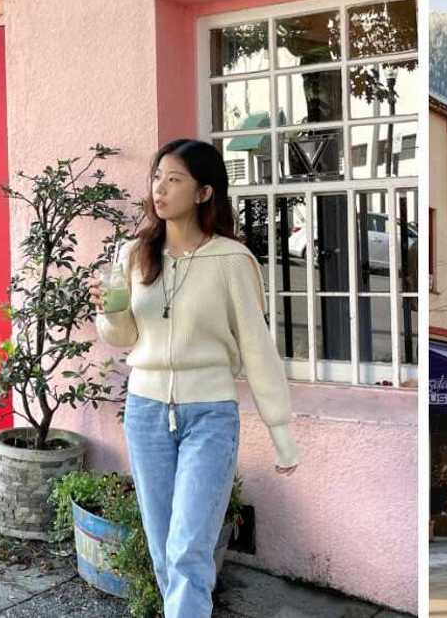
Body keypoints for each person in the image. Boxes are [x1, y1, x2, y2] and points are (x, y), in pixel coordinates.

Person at [90, 139, 298, 617]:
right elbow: (122, 336)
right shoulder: (135, 254)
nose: (160, 188)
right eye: (157, 177)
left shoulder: (232, 261)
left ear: (204, 193)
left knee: (188, 549)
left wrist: (280, 429)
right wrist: (109, 311)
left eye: (174, 179)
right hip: (145, 412)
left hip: (210, 415)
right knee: (165, 548)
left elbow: (257, 348)